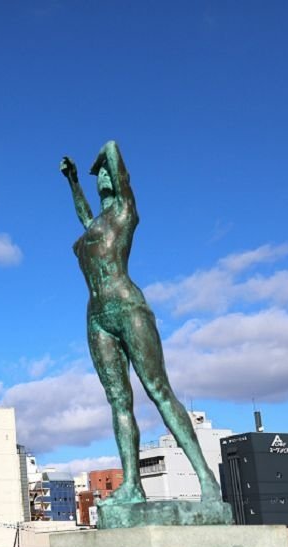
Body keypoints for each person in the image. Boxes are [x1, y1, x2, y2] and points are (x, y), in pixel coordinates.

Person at [60, 141, 221, 505]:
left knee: (158, 390)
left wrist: (106, 155)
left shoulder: (125, 212)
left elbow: (116, 163)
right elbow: (86, 219)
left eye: (105, 173)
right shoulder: (97, 223)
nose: (101, 177)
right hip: (97, 316)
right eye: (98, 173)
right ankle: (132, 484)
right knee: (118, 402)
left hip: (128, 307)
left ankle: (207, 480)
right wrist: (73, 183)